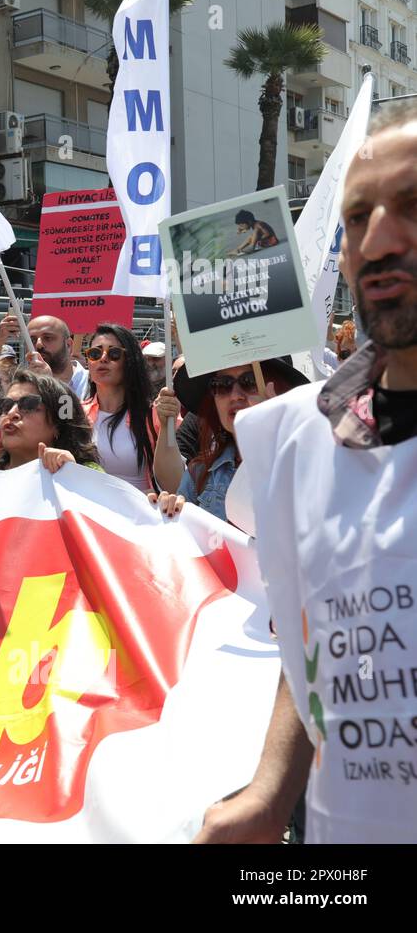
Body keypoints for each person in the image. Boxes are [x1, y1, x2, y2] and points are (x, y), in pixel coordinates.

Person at [195, 99, 417, 844]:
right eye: (358, 219)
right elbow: (323, 635)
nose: (380, 240)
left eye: (412, 205)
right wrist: (267, 792)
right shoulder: (293, 442)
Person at [151, 360, 305, 523]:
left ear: (279, 391)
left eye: (250, 381)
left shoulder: (309, 466)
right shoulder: (199, 474)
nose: (235, 395)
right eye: (223, 385)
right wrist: (169, 515)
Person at [80, 324, 176, 493]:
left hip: (140, 515)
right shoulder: (76, 414)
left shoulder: (155, 414)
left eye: (114, 353)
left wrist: (166, 425)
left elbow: (173, 485)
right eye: (95, 353)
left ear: (130, 361)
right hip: (89, 516)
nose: (103, 358)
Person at [0, 371, 101, 472]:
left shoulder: (88, 472)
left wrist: (73, 474)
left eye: (29, 405)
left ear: (58, 425)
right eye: (6, 405)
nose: (11, 413)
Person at [7, 314, 90, 398]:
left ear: (68, 345)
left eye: (48, 338)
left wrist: (49, 383)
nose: (39, 345)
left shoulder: (94, 383)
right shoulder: (20, 390)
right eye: (32, 340)